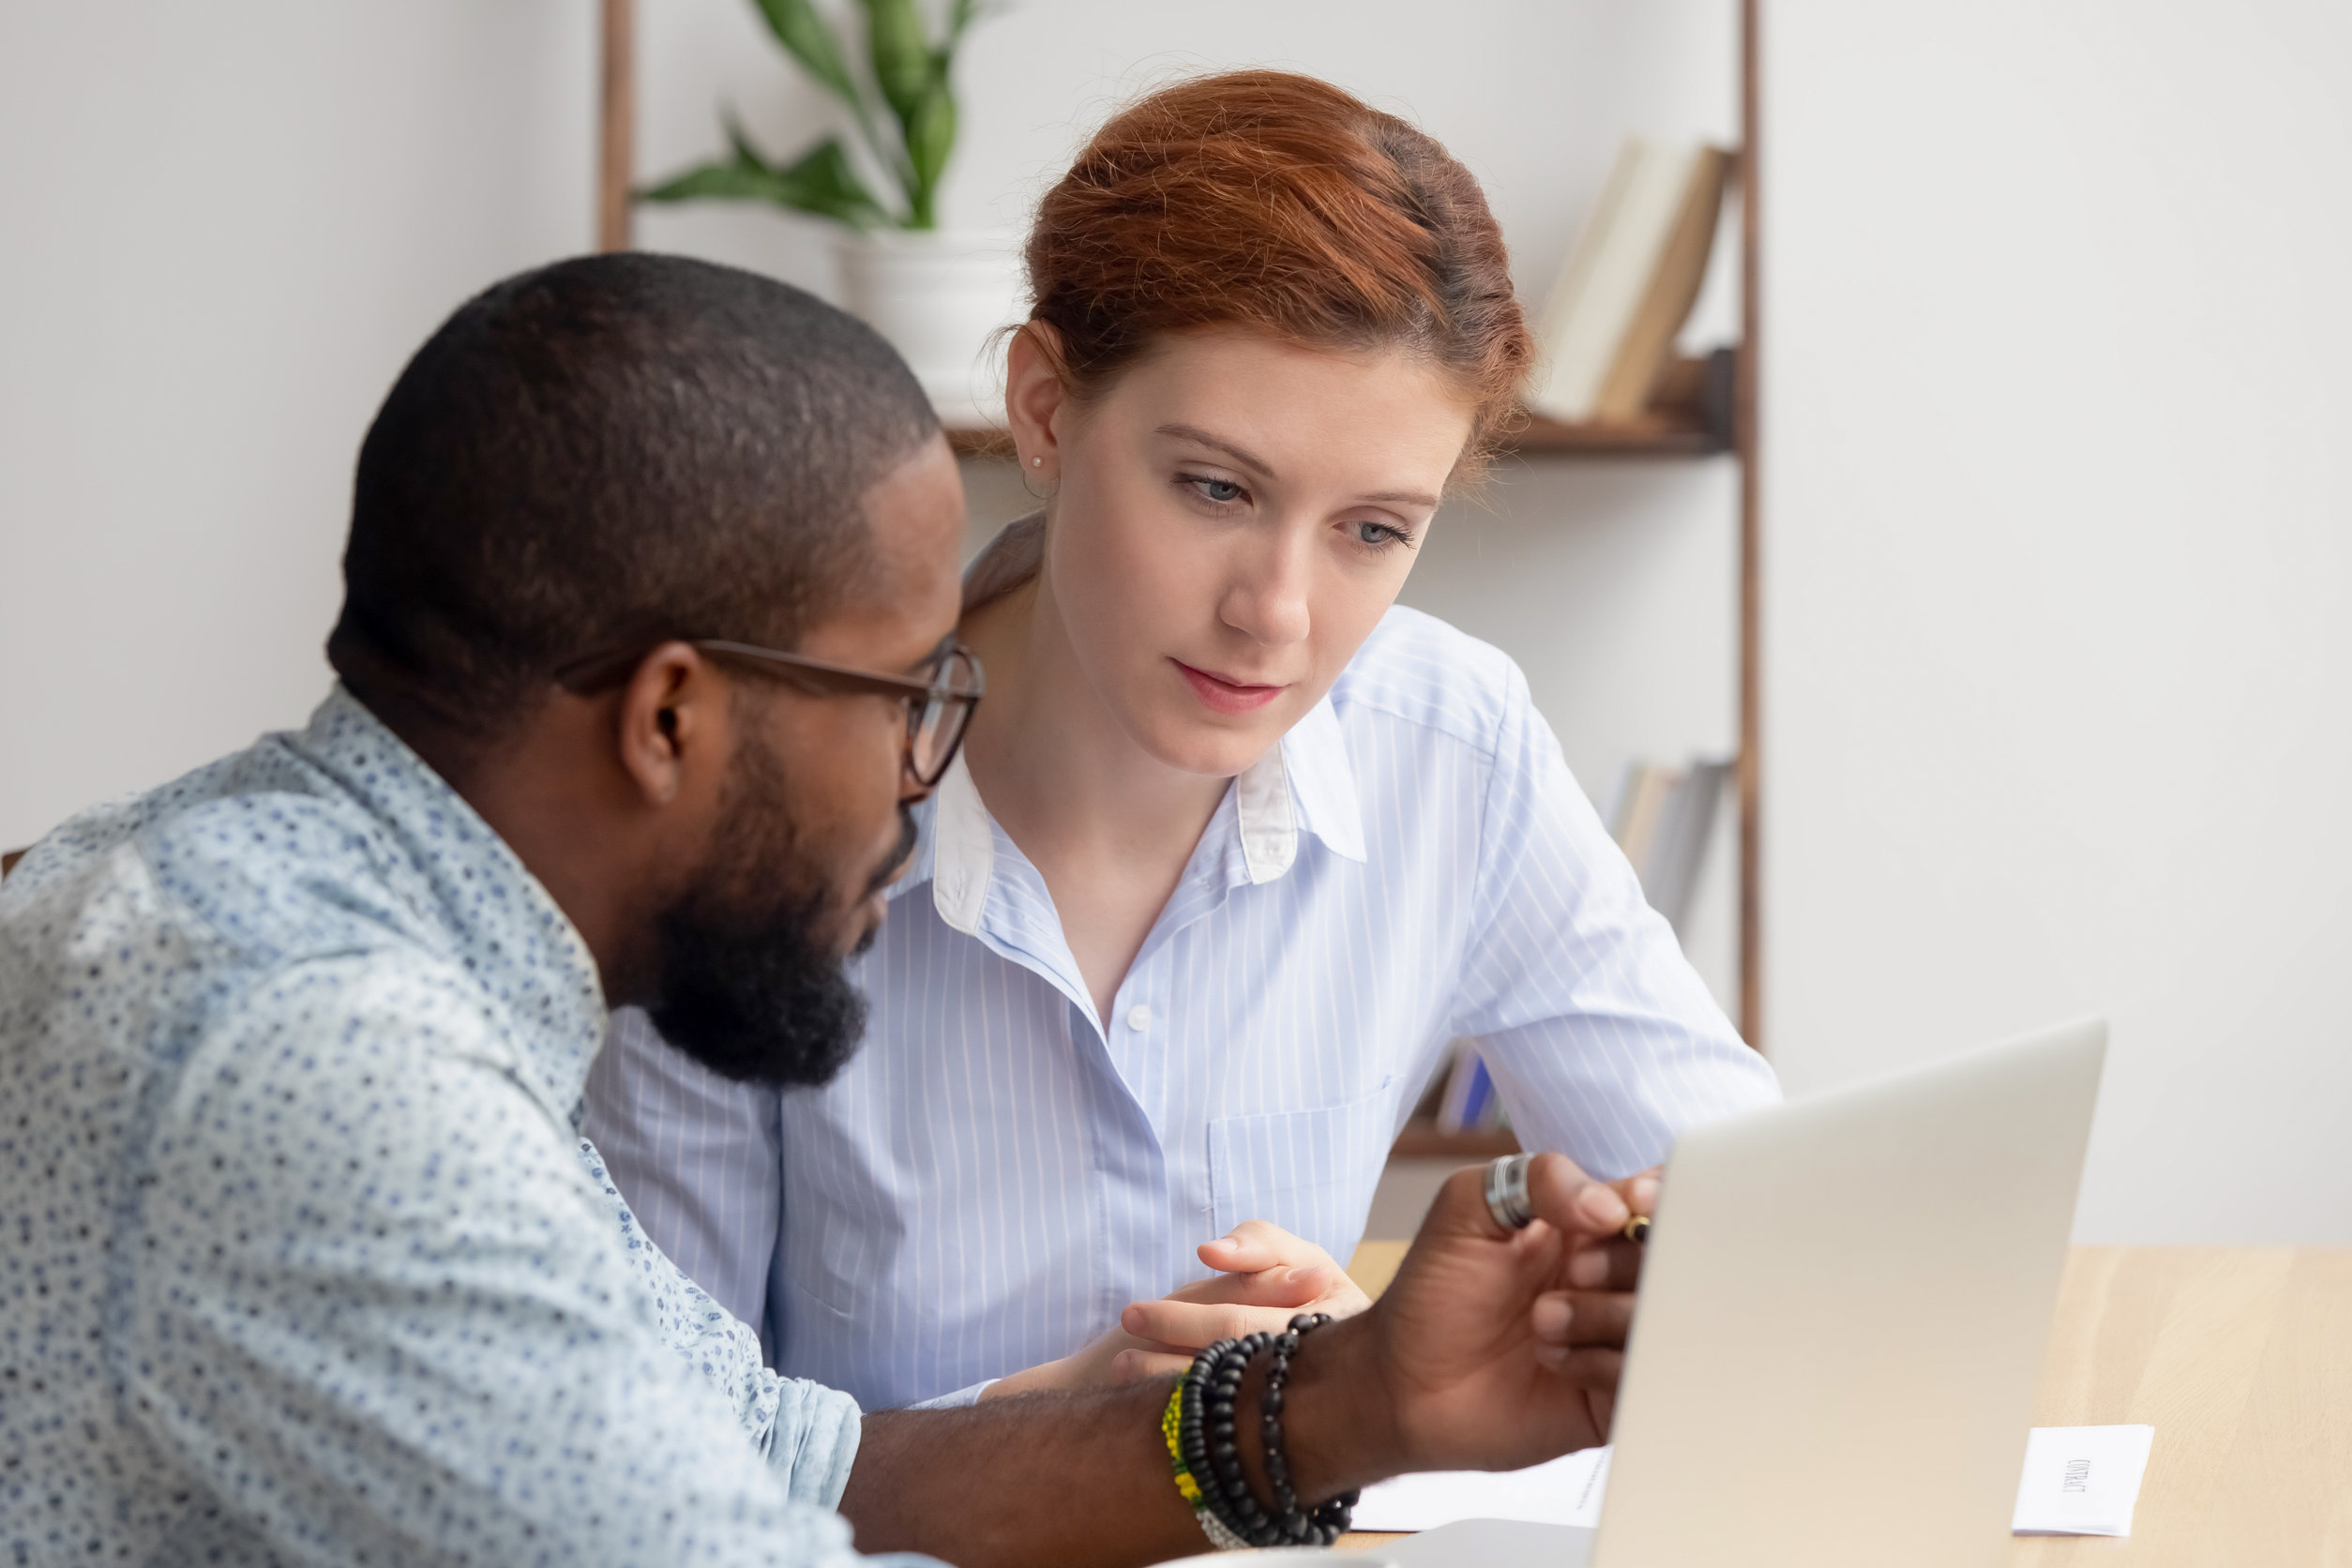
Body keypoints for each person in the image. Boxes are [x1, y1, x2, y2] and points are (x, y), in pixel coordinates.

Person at [0, 252, 1657, 1568]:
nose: (923, 775)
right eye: (898, 692)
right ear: (668, 720)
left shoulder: (329, 929)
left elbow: (795, 1465)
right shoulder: (319, 1061)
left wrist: (1344, 1402)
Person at [584, 69, 1780, 1410]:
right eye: (1215, 488)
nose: (1274, 615)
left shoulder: (1453, 747)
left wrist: (1374, 1379)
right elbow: (637, 1467)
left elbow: (1757, 1236)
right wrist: (1130, 1450)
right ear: (1044, 410)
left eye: (1374, 530)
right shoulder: (750, 809)